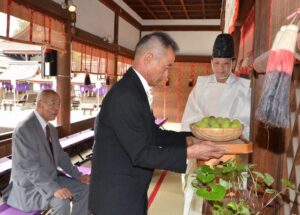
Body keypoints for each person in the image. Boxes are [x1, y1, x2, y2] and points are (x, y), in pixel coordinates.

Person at [88, 32, 227, 215]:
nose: (166, 74)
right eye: (166, 67)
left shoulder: (135, 89)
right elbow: (141, 154)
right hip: (116, 197)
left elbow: (153, 134)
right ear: (148, 58)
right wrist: (190, 152)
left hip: (129, 191)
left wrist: (191, 138)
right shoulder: (126, 95)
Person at [181, 33, 251, 215]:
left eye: (226, 63)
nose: (221, 69)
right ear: (211, 62)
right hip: (203, 149)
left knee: (229, 197)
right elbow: (190, 118)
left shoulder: (244, 88)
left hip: (232, 153)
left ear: (233, 63)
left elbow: (245, 123)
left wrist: (228, 133)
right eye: (217, 63)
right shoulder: (202, 85)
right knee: (199, 194)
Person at [2, 89, 90, 215]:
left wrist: (78, 175)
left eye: (58, 104)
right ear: (39, 104)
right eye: (52, 103)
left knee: (85, 190)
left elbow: (61, 157)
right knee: (62, 202)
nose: (57, 108)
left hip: (50, 178)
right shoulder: (24, 129)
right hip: (29, 186)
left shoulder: (51, 129)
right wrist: (54, 189)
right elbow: (30, 167)